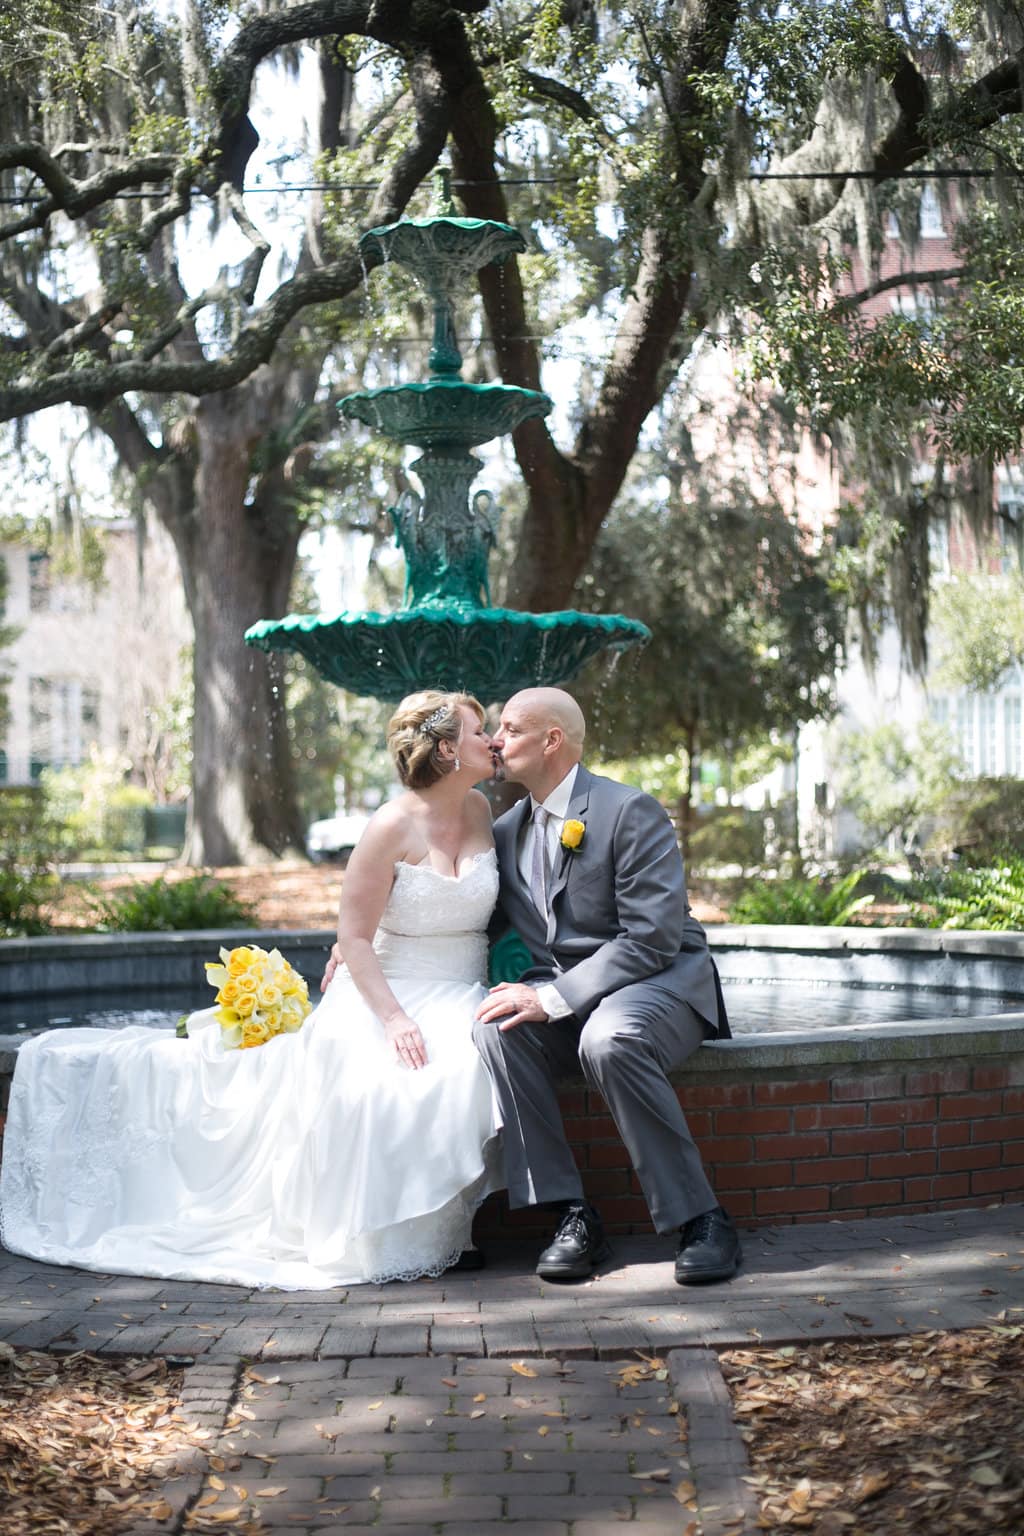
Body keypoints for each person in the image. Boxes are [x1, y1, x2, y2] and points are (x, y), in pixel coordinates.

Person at [0, 691, 503, 1289]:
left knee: (469, 1059)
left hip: (461, 986)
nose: (492, 741)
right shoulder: (389, 827)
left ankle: (447, 1227)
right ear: (447, 749)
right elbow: (356, 939)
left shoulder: (481, 811)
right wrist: (394, 1020)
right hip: (388, 992)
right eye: (479, 733)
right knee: (389, 1080)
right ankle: (389, 1238)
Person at [473, 687, 740, 1286]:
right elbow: (470, 922)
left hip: (660, 980)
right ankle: (571, 1214)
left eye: (510, 730)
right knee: (493, 1028)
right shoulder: (507, 828)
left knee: (610, 1039)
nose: (495, 740)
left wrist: (548, 997)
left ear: (551, 740)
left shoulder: (629, 810)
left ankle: (702, 1218)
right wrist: (363, 945)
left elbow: (652, 936)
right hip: (576, 993)